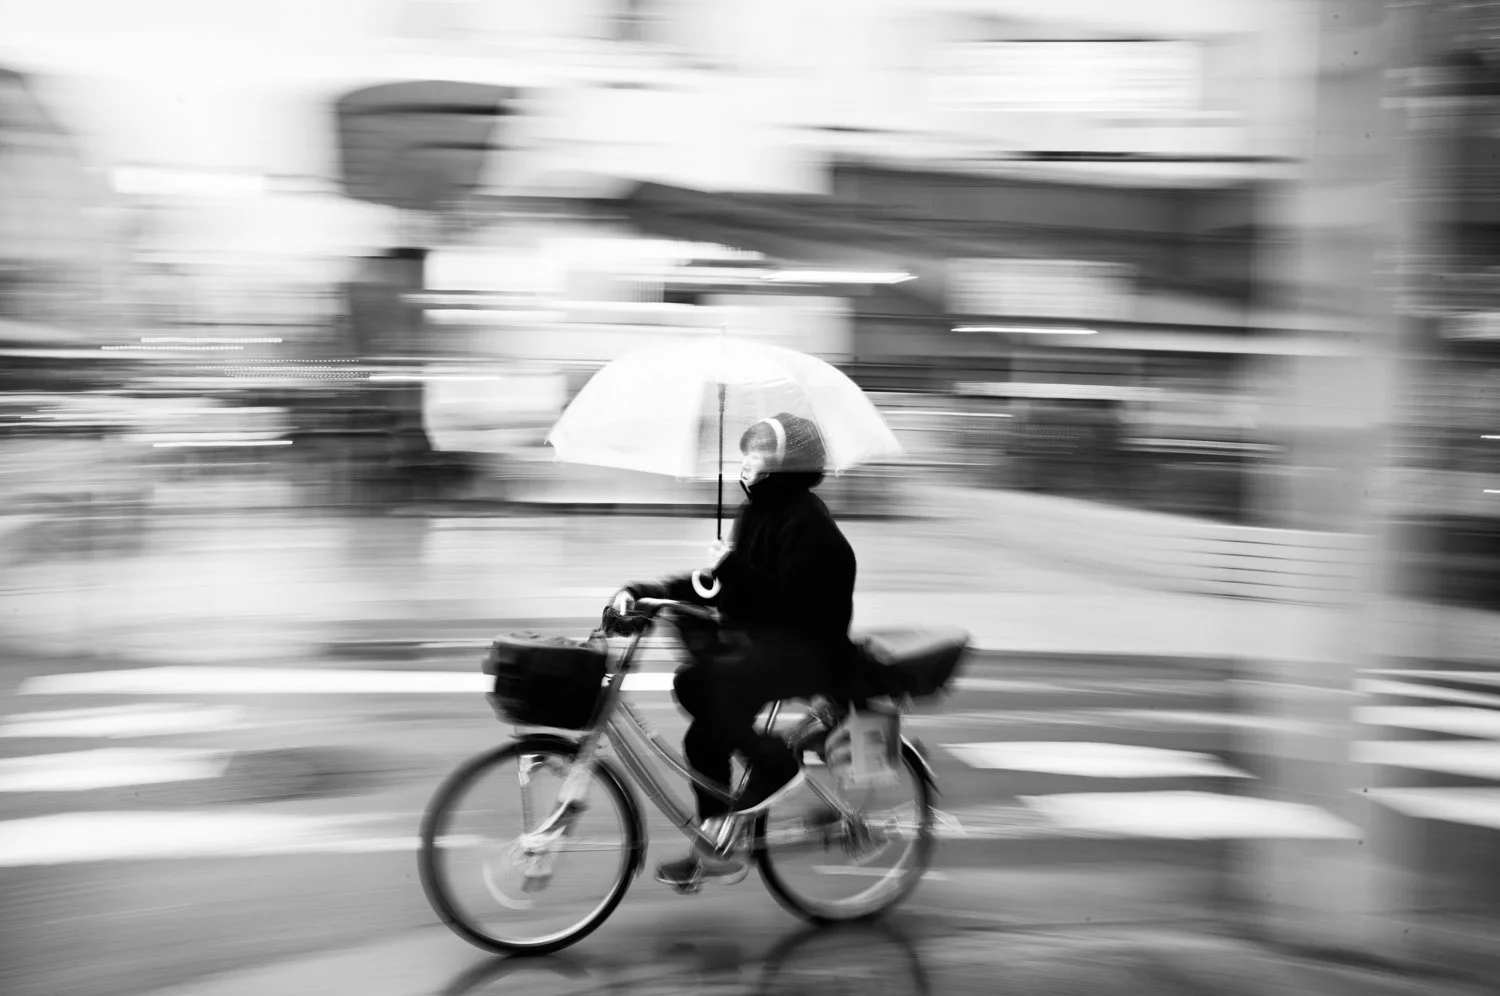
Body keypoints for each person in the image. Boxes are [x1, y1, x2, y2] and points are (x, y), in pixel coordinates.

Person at [609, 412, 858, 887]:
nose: (746, 465)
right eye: (746, 455)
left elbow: (793, 606)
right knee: (702, 735)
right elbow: (715, 587)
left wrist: (734, 571)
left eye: (758, 455)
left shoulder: (810, 523)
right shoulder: (757, 513)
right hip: (765, 648)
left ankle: (776, 764)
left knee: (702, 682)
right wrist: (646, 592)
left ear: (785, 464)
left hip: (810, 654)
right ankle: (717, 843)